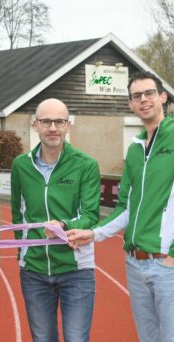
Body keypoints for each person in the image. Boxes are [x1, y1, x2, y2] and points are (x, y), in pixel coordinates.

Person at [67, 71, 174, 342]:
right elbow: (125, 207)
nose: (144, 100)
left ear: (163, 97)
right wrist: (93, 234)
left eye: (149, 93)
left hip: (167, 265)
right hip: (135, 264)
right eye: (136, 96)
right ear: (130, 104)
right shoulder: (135, 149)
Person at [11, 98, 101, 342]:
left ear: (68, 125)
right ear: (35, 124)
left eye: (59, 121)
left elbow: (91, 215)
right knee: (42, 339)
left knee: (76, 338)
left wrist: (65, 226)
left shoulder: (86, 165)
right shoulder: (20, 166)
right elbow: (18, 214)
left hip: (76, 270)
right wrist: (25, 254)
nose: (53, 127)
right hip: (34, 272)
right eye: (46, 121)